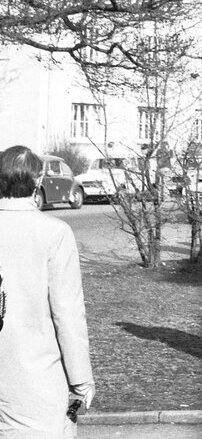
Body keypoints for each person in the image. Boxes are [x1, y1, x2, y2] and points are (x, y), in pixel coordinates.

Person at [0, 145, 95, 435]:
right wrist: (80, 380)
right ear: (38, 181)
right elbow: (67, 314)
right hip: (33, 377)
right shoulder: (54, 233)